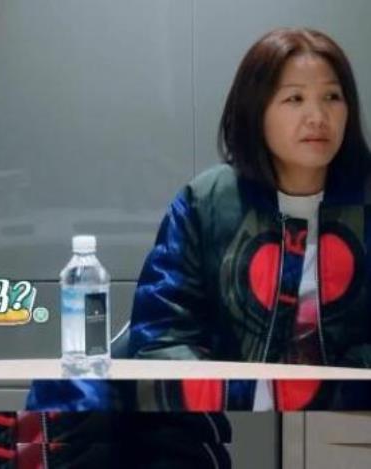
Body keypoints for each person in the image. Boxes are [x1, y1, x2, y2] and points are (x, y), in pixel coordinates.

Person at [129, 27, 371, 410]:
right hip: (229, 424)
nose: (318, 116)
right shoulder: (206, 203)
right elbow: (161, 336)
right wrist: (234, 400)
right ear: (256, 111)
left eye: (332, 97)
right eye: (295, 98)